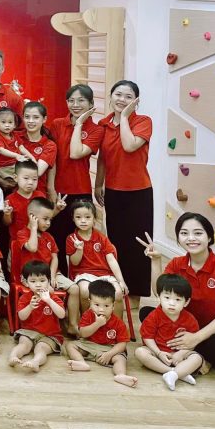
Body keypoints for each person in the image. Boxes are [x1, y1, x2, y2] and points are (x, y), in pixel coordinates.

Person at [139, 213, 215, 372]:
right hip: (190, 327)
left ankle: (192, 355)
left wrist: (195, 338)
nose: (191, 238)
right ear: (178, 238)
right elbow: (160, 293)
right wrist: (156, 260)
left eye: (198, 233)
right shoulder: (176, 264)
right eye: (184, 233)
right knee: (148, 314)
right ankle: (191, 357)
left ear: (209, 237)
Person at [89, 80, 152, 297]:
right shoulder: (103, 124)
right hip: (113, 191)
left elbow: (129, 145)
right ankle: (118, 288)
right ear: (111, 96)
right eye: (118, 94)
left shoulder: (143, 121)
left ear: (136, 101)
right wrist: (98, 184)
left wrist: (124, 117)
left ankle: (136, 294)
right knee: (116, 242)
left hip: (139, 192)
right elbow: (102, 158)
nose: (122, 100)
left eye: (128, 96)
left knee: (138, 245)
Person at [47, 84, 103, 274]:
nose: (75, 104)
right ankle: (60, 279)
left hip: (81, 191)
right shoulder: (57, 124)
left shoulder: (96, 130)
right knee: (57, 238)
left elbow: (75, 153)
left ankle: (81, 278)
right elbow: (52, 159)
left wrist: (79, 124)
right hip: (59, 191)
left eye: (81, 100)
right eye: (71, 100)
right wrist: (51, 188)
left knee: (81, 239)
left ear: (91, 103)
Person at [66, 200, 128, 334]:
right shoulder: (71, 238)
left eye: (87, 217)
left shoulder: (102, 237)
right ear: (73, 219)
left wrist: (121, 281)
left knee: (118, 293)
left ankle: (117, 328)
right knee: (84, 291)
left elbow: (111, 260)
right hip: (83, 274)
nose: (83, 221)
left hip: (105, 275)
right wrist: (79, 250)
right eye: (78, 217)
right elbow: (74, 263)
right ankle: (88, 325)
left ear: (94, 218)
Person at [134, 273, 204, 390]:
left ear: (186, 302)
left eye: (178, 299)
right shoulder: (153, 316)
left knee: (197, 358)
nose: (172, 303)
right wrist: (159, 353)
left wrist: (181, 353)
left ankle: (175, 373)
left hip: (180, 355)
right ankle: (174, 373)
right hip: (158, 353)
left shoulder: (190, 319)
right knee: (140, 352)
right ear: (159, 297)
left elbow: (192, 342)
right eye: (167, 298)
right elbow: (147, 337)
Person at [65, 279, 136, 388]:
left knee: (120, 358)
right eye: (97, 305)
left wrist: (109, 354)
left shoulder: (118, 323)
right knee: (70, 345)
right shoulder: (87, 315)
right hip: (89, 345)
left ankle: (121, 375)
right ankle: (81, 362)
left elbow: (122, 344)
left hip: (109, 348)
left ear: (113, 306)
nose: (101, 310)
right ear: (90, 302)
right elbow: (83, 333)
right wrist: (97, 324)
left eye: (106, 306)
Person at [9, 260, 66, 373]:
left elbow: (62, 314)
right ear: (26, 283)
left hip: (50, 335)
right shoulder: (25, 298)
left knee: (41, 349)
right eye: (33, 281)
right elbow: (22, 317)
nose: (38, 284)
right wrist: (30, 307)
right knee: (24, 344)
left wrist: (49, 300)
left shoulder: (53, 298)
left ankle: (36, 362)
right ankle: (13, 357)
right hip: (29, 331)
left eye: (42, 280)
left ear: (49, 281)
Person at [17, 102, 57, 196]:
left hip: (37, 196)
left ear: (44, 119)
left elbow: (37, 172)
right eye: (27, 117)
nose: (30, 121)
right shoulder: (15, 136)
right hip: (12, 193)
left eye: (36, 117)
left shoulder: (49, 145)